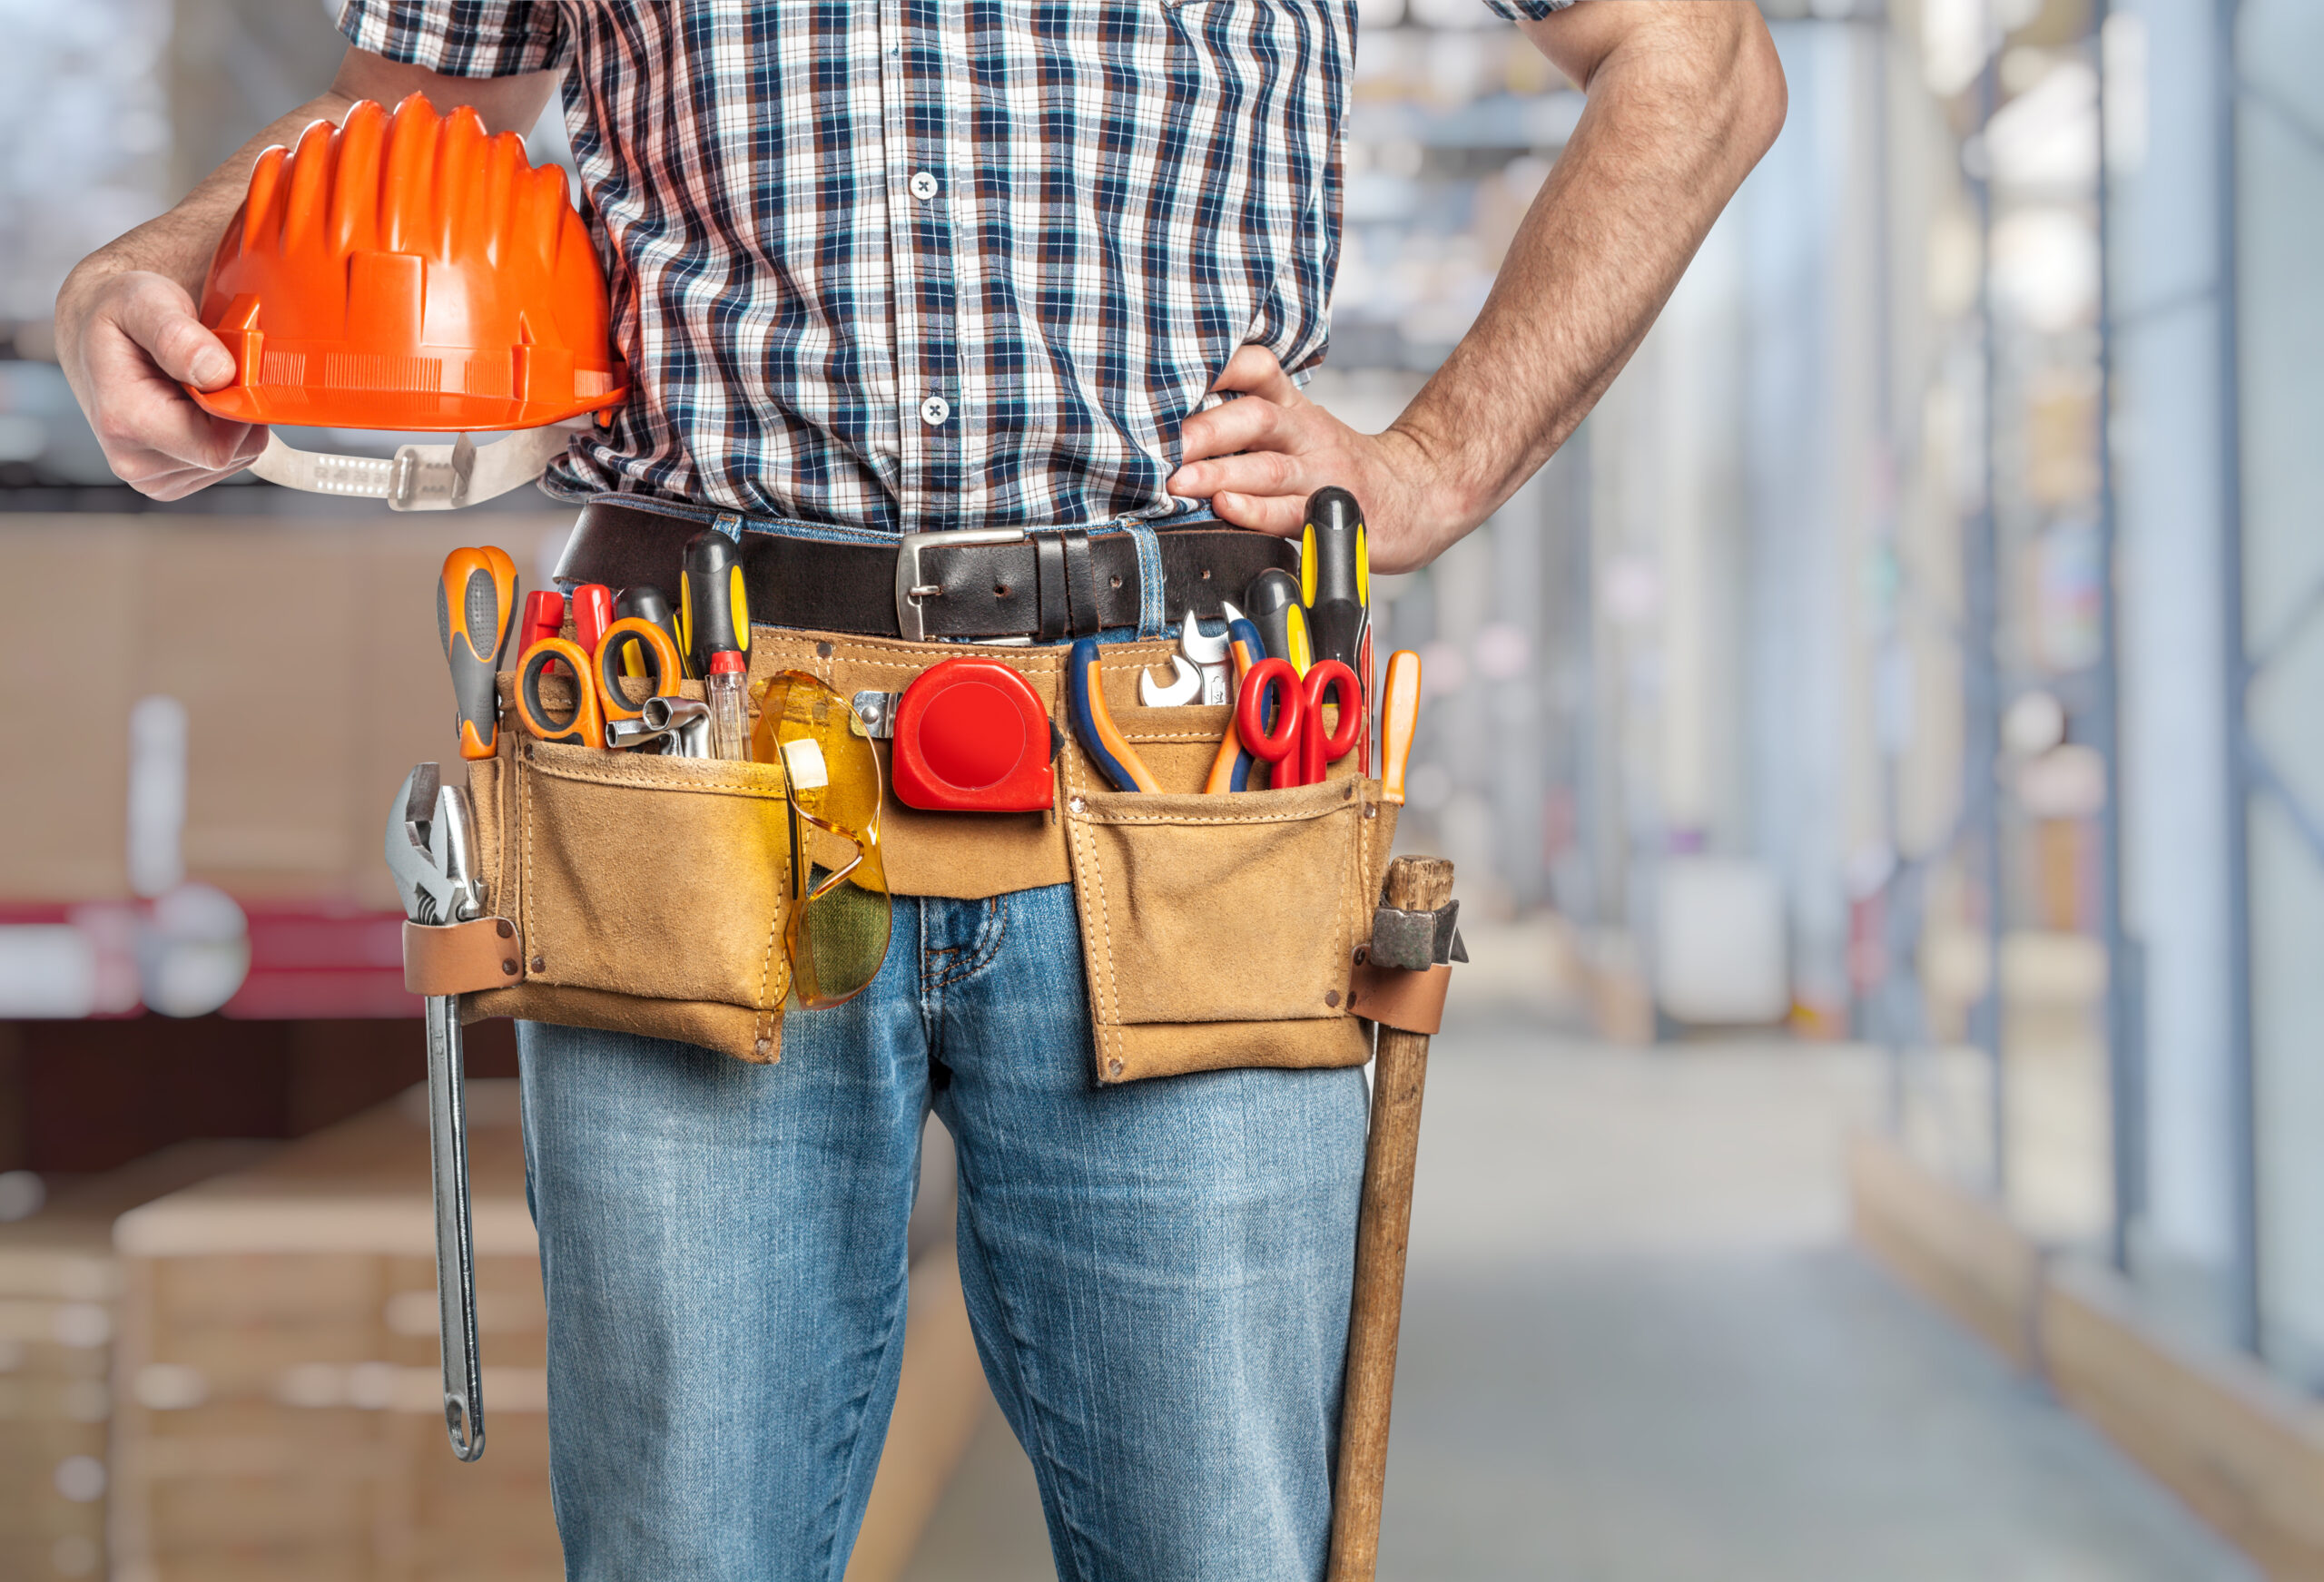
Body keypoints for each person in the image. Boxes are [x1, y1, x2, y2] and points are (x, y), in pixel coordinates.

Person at [55, 4, 1783, 1577]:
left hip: (1180, 772)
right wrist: (157, 264)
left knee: (1221, 1550)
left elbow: (1695, 57)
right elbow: (398, 115)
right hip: (689, 746)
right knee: (688, 1555)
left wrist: (1438, 460)